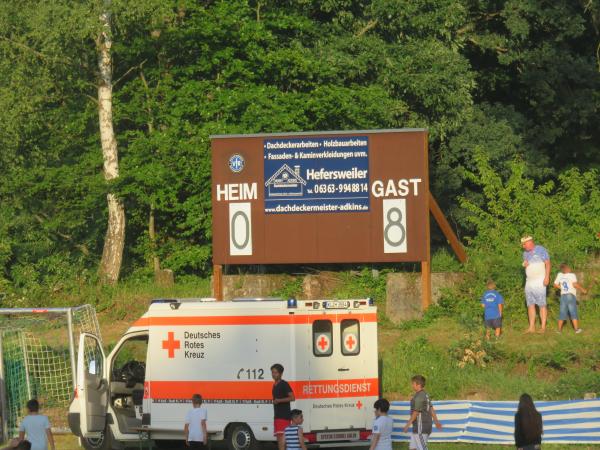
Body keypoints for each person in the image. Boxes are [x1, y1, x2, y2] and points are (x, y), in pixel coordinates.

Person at [402, 375, 442, 450]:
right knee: (412, 448)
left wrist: (407, 425)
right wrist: (436, 421)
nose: (412, 385)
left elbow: (416, 412)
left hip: (420, 428)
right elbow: (431, 409)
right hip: (418, 428)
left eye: (413, 384)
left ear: (419, 385)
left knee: (422, 448)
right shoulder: (425, 394)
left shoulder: (419, 396)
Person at [521, 236, 551, 333]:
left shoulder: (541, 249)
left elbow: (548, 263)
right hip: (529, 281)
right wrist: (525, 264)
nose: (523, 247)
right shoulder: (525, 253)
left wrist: (547, 277)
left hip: (540, 281)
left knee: (542, 304)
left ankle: (542, 327)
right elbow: (526, 264)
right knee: (530, 304)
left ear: (529, 242)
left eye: (524, 245)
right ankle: (532, 327)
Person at [553, 263, 588, 334]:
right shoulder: (572, 275)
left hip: (563, 296)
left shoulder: (560, 275)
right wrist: (583, 289)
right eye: (569, 267)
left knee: (562, 313)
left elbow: (555, 285)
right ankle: (577, 329)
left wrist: (562, 288)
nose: (570, 268)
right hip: (570, 295)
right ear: (567, 269)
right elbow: (574, 284)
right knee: (573, 312)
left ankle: (559, 330)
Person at [271, 363, 295, 450]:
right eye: (272, 372)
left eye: (276, 372)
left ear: (281, 373)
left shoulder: (284, 384)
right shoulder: (274, 385)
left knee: (282, 444)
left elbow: (292, 398)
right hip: (277, 417)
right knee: (281, 443)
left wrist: (279, 400)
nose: (274, 374)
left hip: (283, 417)